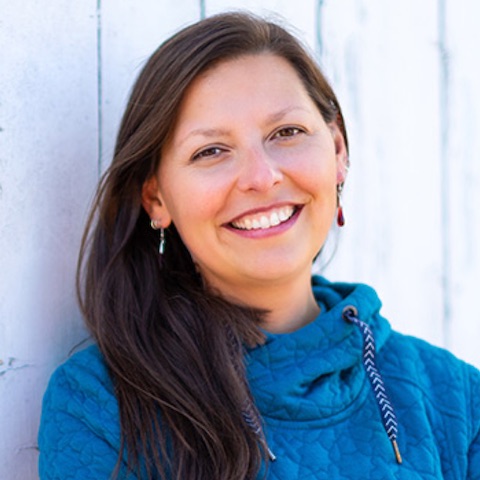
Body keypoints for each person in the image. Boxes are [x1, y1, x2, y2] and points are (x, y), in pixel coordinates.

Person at [38, 11, 480, 480]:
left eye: (286, 133)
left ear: (337, 152)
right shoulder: (99, 405)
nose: (262, 176)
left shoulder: (457, 399)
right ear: (157, 198)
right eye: (210, 151)